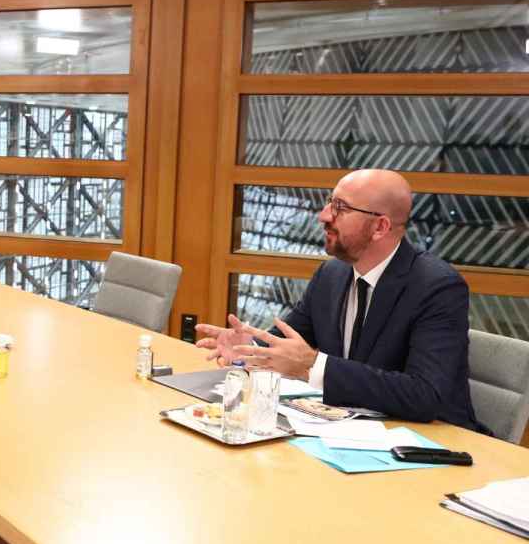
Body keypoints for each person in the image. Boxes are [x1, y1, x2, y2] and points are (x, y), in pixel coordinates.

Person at [195, 169, 485, 432]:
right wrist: (250, 348)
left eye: (340, 208)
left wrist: (313, 366)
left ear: (380, 227)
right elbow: (290, 341)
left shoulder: (437, 287)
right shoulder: (332, 274)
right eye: (329, 202)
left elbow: (425, 395)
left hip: (433, 444)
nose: (324, 215)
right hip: (349, 433)